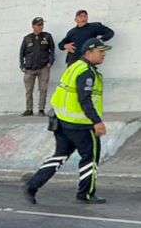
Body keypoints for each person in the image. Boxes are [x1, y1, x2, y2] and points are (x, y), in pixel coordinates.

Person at [25, 37, 110, 205]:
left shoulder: (75, 67)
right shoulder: (86, 72)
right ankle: (85, 194)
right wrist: (97, 121)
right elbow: (84, 99)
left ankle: (32, 186)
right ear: (89, 52)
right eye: (100, 52)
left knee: (60, 156)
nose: (103, 55)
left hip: (61, 121)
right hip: (81, 125)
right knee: (90, 158)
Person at [19, 16, 57, 116]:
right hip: (29, 68)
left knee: (43, 89)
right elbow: (21, 53)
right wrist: (22, 65)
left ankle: (41, 109)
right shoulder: (27, 38)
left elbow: (52, 50)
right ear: (33, 26)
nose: (41, 26)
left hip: (43, 67)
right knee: (29, 90)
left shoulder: (47, 36)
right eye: (38, 25)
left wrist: (50, 62)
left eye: (42, 24)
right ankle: (29, 109)